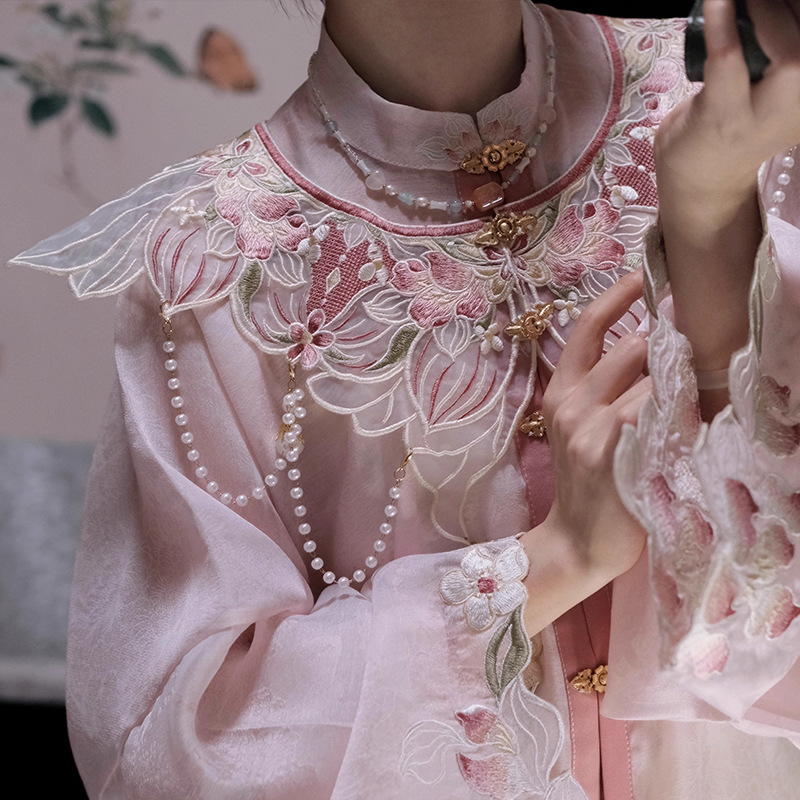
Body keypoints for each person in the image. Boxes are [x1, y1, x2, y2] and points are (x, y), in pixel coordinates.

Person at [10, 0, 800, 797]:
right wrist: (551, 562)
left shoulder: (745, 103)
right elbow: (179, 753)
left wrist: (712, 235)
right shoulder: (214, 269)